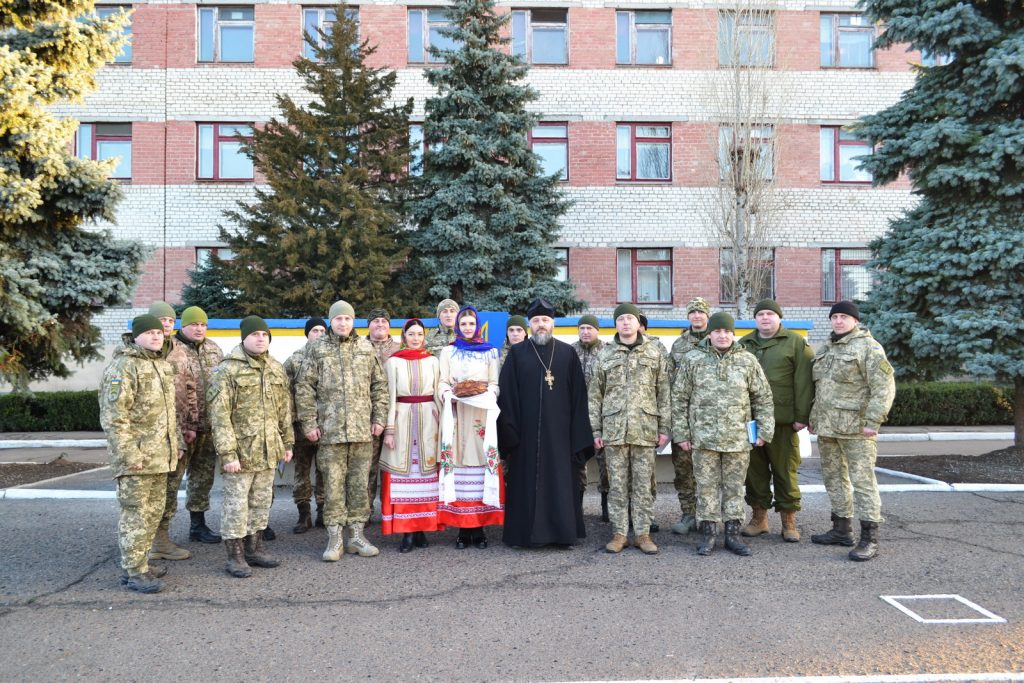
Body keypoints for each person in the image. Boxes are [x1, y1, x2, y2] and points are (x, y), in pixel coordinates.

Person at [673, 312, 775, 557]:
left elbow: (762, 397)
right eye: (718, 331)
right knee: (706, 487)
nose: (722, 335)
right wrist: (681, 433)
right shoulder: (693, 359)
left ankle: (732, 533)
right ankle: (709, 533)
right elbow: (679, 398)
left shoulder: (747, 361)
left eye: (727, 331)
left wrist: (764, 430)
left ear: (733, 334)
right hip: (703, 438)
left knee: (733, 488)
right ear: (710, 333)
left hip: (737, 438)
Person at [295, 300, 389, 561]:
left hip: (362, 432)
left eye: (348, 319)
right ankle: (335, 539)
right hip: (330, 433)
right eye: (338, 319)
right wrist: (310, 423)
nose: (343, 323)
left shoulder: (365, 347)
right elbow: (304, 388)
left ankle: (357, 537)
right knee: (333, 487)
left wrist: (379, 419)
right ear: (331, 321)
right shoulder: (317, 349)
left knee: (359, 485)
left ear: (353, 321)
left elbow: (379, 386)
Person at [498, 298, 593, 548]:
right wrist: (511, 433)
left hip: (560, 436)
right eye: (537, 320)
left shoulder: (566, 353)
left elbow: (578, 397)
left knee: (560, 481)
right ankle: (524, 536)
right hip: (525, 435)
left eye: (546, 320)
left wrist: (577, 435)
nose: (541, 325)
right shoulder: (517, 354)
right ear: (530, 324)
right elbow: (507, 396)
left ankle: (562, 535)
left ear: (553, 323)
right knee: (525, 482)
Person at [207, 316, 294, 578]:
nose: (260, 339)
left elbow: (284, 410)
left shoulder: (276, 368)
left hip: (269, 451)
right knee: (236, 505)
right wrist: (228, 454)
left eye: (264, 335)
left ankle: (254, 549)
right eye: (254, 334)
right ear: (243, 337)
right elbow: (219, 416)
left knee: (260, 502)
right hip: (241, 454)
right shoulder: (228, 370)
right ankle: (235, 557)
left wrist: (287, 442)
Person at [809, 301, 896, 562]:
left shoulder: (869, 347)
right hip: (829, 427)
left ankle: (869, 538)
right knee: (834, 479)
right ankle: (841, 529)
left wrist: (874, 421)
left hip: (857, 428)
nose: (838, 321)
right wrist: (814, 417)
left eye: (844, 317)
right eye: (834, 317)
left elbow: (884, 387)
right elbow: (821, 388)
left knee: (863, 482)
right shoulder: (826, 347)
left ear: (855, 321)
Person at [98, 314, 178, 593]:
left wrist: (174, 444)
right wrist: (130, 455)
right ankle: (133, 571)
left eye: (160, 332)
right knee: (135, 514)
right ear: (135, 336)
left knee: (154, 513)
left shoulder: (160, 365)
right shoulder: (123, 366)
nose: (157, 336)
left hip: (160, 457)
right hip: (137, 460)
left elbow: (167, 414)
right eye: (150, 332)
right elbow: (114, 417)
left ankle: (141, 563)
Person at [589, 304, 671, 555]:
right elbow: (595, 395)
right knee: (617, 485)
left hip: (645, 429)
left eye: (630, 319)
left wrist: (665, 428)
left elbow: (664, 392)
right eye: (621, 319)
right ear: (616, 324)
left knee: (644, 485)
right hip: (614, 430)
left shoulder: (655, 352)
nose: (625, 323)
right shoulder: (605, 354)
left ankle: (643, 534)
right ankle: (620, 533)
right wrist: (596, 431)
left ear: (638, 323)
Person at [739, 299, 814, 542]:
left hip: (783, 422)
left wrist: (801, 416)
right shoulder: (744, 344)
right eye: (760, 314)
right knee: (755, 472)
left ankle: (789, 522)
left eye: (770, 314)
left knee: (785, 472)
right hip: (751, 423)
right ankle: (759, 518)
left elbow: (804, 382)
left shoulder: (795, 343)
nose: (765, 318)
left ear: (779, 318)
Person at [437, 305, 504, 549]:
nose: (467, 327)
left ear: (478, 326)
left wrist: (486, 395)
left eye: (471, 324)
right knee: (459, 466)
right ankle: (463, 529)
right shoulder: (448, 352)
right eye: (463, 324)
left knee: (479, 465)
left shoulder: (490, 352)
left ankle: (480, 527)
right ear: (457, 326)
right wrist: (449, 394)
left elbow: (495, 384)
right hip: (456, 415)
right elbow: (443, 381)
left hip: (480, 416)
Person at [380, 319, 444, 552]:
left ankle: (422, 529)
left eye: (419, 334)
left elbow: (439, 393)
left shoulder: (433, 361)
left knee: (427, 479)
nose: (415, 338)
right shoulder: (394, 362)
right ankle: (407, 532)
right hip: (403, 419)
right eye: (411, 334)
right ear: (403, 336)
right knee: (403, 479)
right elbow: (389, 397)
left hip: (429, 421)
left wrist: (444, 423)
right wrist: (389, 429)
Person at [145, 301, 197, 563]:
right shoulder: (139, 354)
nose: (165, 324)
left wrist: (191, 424)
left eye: (169, 320)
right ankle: (143, 545)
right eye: (161, 320)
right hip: (149, 438)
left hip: (177, 433)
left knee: (170, 490)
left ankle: (161, 541)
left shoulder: (179, 351)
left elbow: (189, 388)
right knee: (148, 495)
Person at [176, 305, 224, 545]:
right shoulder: (173, 350)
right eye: (194, 324)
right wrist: (182, 425)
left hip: (208, 426)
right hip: (182, 429)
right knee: (170, 480)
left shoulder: (214, 350)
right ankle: (159, 532)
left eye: (203, 324)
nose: (199, 328)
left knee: (202, 478)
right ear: (182, 325)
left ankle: (198, 525)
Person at [668, 297, 711, 535]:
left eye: (700, 312)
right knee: (683, 470)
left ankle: (708, 516)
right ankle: (688, 514)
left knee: (709, 471)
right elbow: (670, 381)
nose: (697, 316)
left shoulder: (717, 340)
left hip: (709, 417)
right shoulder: (678, 345)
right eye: (692, 312)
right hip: (683, 416)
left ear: (707, 315)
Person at [283, 317, 327, 533]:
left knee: (325, 471)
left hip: (327, 426)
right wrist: (293, 423)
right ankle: (303, 514)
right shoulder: (294, 360)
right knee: (301, 472)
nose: (319, 334)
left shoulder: (330, 357)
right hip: (301, 428)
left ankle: (322, 511)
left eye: (322, 330)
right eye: (314, 331)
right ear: (307, 334)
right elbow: (286, 395)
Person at [571, 314, 609, 521]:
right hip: (578, 416)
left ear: (597, 330)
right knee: (577, 462)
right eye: (582, 328)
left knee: (606, 463)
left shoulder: (607, 351)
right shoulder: (570, 351)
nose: (586, 331)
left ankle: (606, 505)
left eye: (589, 328)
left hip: (603, 416)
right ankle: (577, 506)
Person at [366, 308, 398, 516]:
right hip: (365, 415)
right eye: (375, 321)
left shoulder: (399, 349)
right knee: (366, 467)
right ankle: (365, 511)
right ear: (368, 325)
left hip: (394, 414)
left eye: (384, 321)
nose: (380, 324)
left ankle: (393, 510)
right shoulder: (359, 347)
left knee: (393, 466)